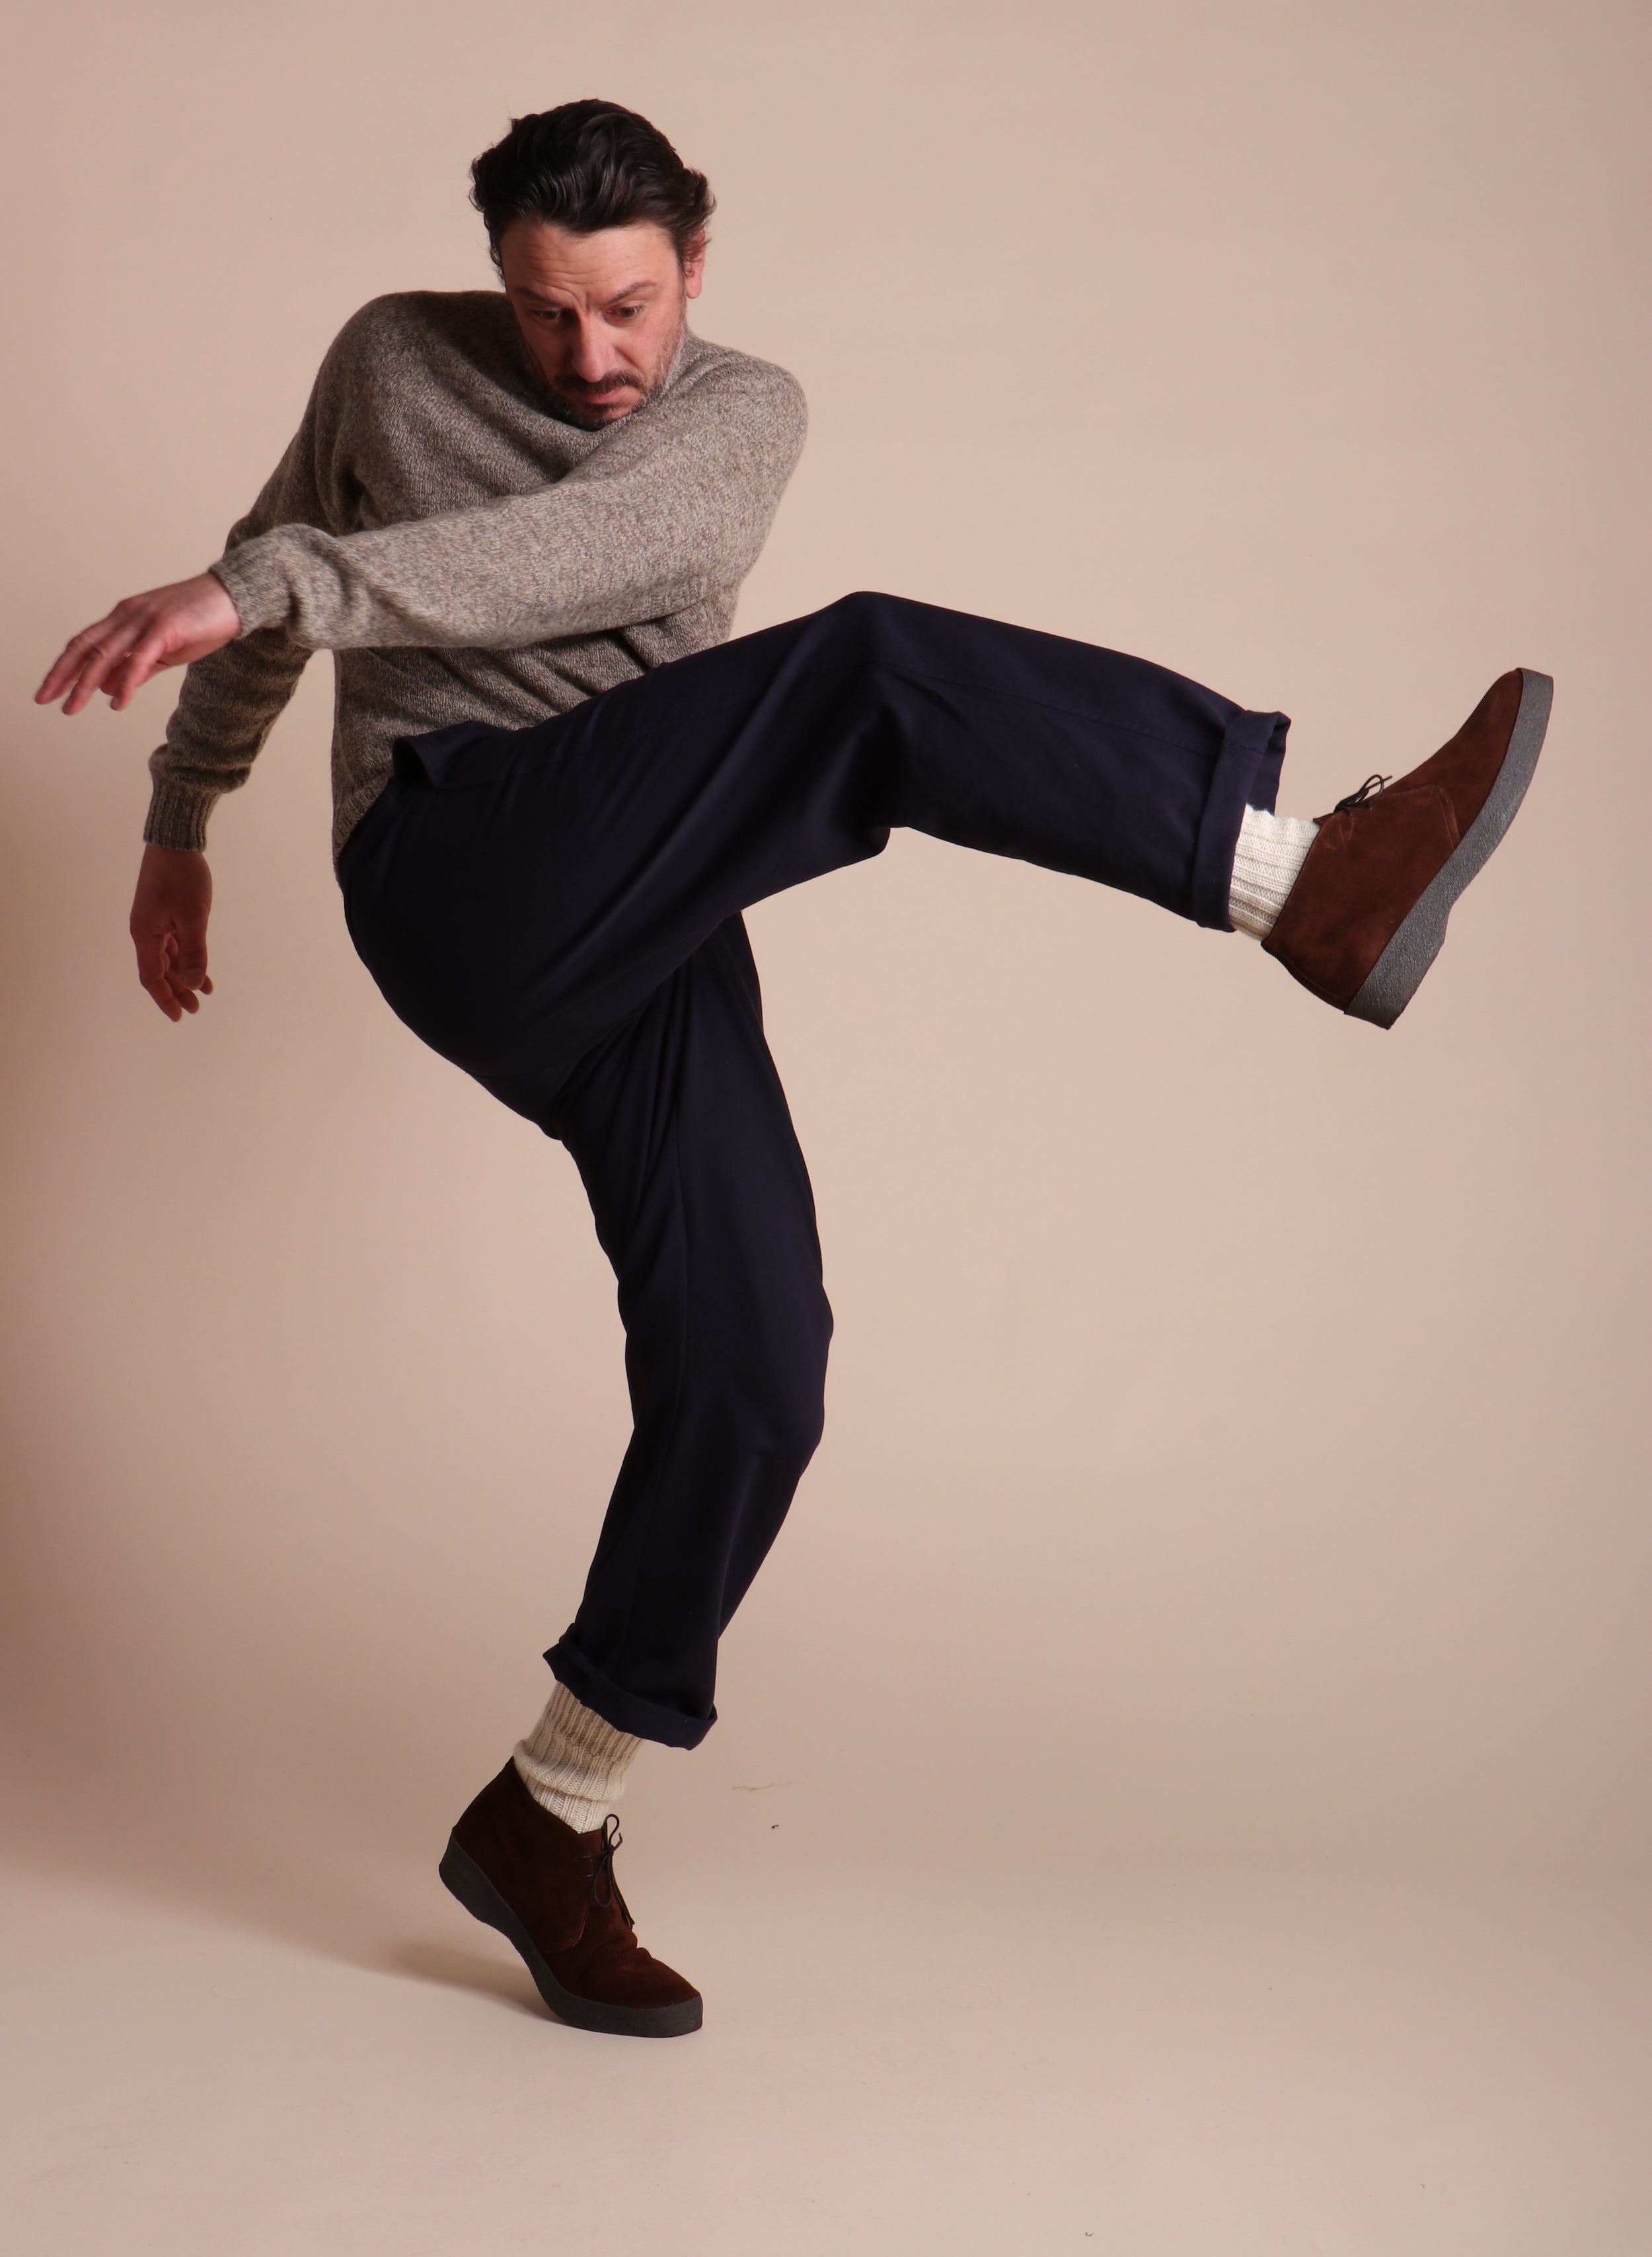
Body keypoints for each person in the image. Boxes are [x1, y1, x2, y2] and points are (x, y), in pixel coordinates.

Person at [36, 100, 1552, 2041]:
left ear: (695, 271)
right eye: (544, 312)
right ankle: (1292, 881)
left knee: (757, 1357)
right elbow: (272, 558)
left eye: (628, 309)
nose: (590, 358)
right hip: (456, 858)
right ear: (491, 277)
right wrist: (185, 812)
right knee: (871, 673)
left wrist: (271, 591)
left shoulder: (736, 415)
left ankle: (549, 1808)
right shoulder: (386, 356)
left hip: (640, 896)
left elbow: (559, 555)